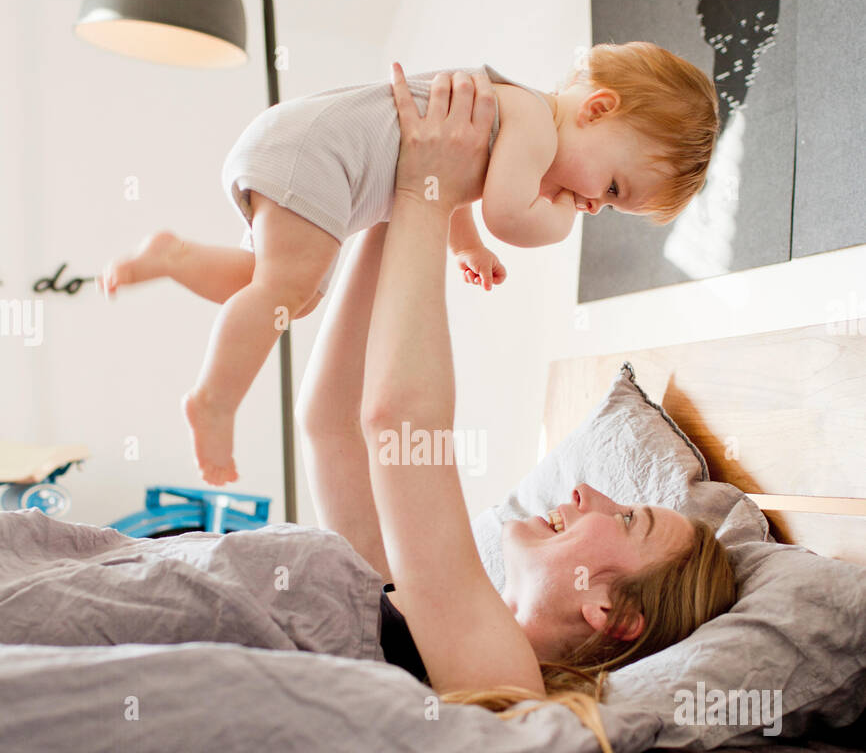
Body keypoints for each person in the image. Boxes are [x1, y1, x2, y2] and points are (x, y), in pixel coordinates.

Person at [296, 64, 737, 753]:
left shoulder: (501, 674)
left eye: (627, 517)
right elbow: (331, 428)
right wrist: (395, 186)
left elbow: (398, 423)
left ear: (609, 613)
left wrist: (424, 193)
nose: (588, 491)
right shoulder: (427, 612)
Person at [98, 44, 719, 486]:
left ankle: (174, 256)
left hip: (301, 146)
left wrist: (465, 246)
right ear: (598, 109)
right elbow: (509, 215)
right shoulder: (533, 118)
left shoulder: (516, 121)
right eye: (612, 188)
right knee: (283, 290)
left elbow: (447, 193)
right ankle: (215, 400)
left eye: (611, 206)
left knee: (291, 291)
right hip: (318, 154)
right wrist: (558, 218)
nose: (592, 206)